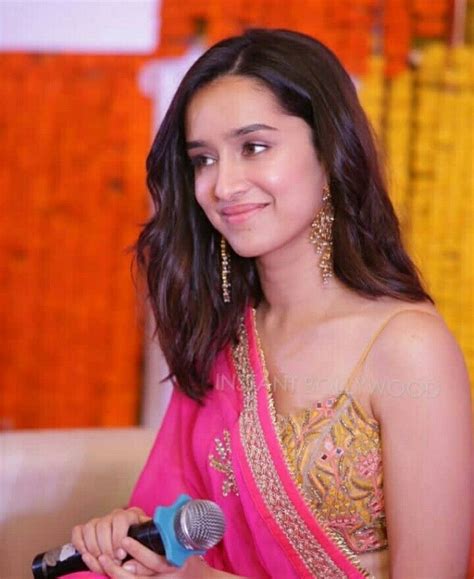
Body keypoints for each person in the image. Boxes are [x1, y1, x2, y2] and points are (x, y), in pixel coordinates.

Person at [67, 29, 473, 578]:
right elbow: (189, 528)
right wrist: (136, 542)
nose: (222, 184)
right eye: (202, 160)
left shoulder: (407, 347)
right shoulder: (226, 337)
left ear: (330, 152)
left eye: (253, 147)